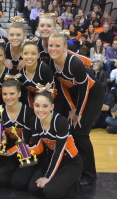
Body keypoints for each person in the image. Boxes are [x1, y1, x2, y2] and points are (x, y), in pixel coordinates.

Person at [48, 33, 105, 186]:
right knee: (72, 132)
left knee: (80, 133)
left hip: (92, 94)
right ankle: (77, 169)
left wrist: (78, 112)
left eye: (57, 46)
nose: (53, 49)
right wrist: (72, 108)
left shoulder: (74, 63)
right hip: (77, 96)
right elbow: (63, 86)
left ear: (65, 47)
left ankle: (90, 174)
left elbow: (84, 89)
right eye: (50, 46)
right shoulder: (52, 62)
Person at [28, 91, 83, 198]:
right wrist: (22, 149)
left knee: (50, 192)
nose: (40, 110)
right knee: (34, 189)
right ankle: (58, 180)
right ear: (33, 105)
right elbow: (38, 147)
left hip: (70, 162)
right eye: (37, 106)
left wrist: (47, 177)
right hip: (51, 160)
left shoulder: (60, 122)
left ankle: (74, 183)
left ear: (52, 106)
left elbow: (59, 151)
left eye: (45, 106)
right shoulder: (34, 121)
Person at [0, 79, 36, 189]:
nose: (8, 97)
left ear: (19, 94)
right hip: (9, 154)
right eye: (5, 94)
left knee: (18, 183)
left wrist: (11, 151)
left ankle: (34, 169)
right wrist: (1, 141)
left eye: (12, 93)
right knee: (0, 181)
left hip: (26, 153)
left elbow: (28, 141)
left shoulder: (29, 113)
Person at [15, 41, 55, 108]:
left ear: (38, 55)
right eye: (26, 53)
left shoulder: (44, 69)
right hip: (33, 101)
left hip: (51, 101)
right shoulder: (20, 71)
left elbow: (52, 93)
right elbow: (24, 95)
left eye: (33, 54)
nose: (29, 57)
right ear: (21, 55)